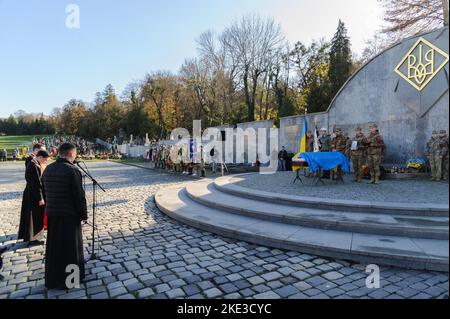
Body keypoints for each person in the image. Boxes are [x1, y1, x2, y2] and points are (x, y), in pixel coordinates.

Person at [42, 143, 88, 290]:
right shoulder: (72, 170)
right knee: (71, 250)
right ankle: (71, 281)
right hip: (69, 216)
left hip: (53, 214)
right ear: (71, 154)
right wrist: (83, 214)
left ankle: (53, 280)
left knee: (54, 248)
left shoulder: (48, 169)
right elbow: (79, 197)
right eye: (74, 154)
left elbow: (46, 192)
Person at [18, 150, 49, 245]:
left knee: (32, 216)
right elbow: (36, 184)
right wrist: (40, 198)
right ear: (40, 157)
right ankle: (35, 239)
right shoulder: (34, 165)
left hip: (30, 193)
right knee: (35, 217)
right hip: (34, 195)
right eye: (45, 159)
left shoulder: (33, 163)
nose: (45, 162)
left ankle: (32, 237)